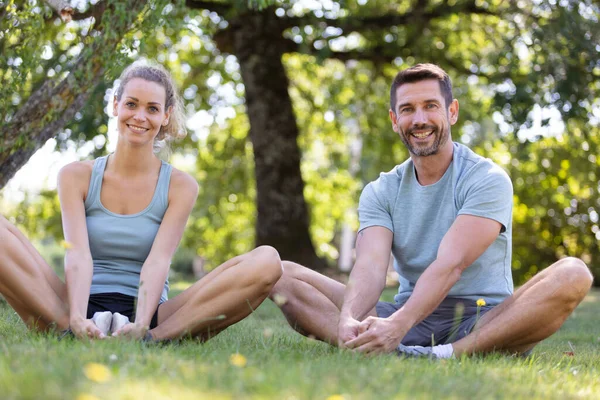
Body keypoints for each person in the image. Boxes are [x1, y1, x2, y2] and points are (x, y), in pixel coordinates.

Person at [269, 63, 593, 358]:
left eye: (431, 106)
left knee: (574, 273)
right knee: (279, 273)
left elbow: (450, 265)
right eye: (408, 109)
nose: (420, 119)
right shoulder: (380, 190)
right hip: (408, 314)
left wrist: (397, 325)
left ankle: (444, 354)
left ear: (452, 112)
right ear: (395, 121)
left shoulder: (487, 179)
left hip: (483, 320)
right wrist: (350, 318)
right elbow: (370, 268)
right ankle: (367, 341)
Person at [0, 62, 282, 341]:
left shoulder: (180, 186)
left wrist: (143, 325)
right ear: (115, 105)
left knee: (267, 260)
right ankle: (71, 330)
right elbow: (78, 255)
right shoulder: (75, 176)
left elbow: (158, 260)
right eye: (131, 104)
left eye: (152, 108)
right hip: (75, 305)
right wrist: (76, 316)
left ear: (166, 116)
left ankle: (153, 340)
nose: (139, 116)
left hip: (151, 313)